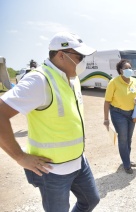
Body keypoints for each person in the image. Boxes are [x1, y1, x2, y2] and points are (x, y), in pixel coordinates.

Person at [0, 31, 100, 212]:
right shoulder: (39, 80)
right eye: (80, 56)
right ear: (62, 55)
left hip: (78, 162)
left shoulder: (72, 78)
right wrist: (20, 157)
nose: (83, 61)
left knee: (91, 200)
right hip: (51, 171)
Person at [103, 59, 136, 174]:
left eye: (130, 68)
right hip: (118, 113)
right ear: (120, 70)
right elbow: (107, 101)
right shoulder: (113, 82)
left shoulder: (135, 81)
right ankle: (126, 164)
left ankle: (127, 159)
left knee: (129, 138)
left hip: (132, 113)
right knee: (123, 138)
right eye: (126, 68)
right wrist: (106, 119)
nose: (129, 70)